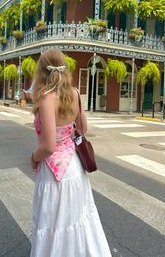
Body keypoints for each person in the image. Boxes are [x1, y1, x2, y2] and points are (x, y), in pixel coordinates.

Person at [30, 48, 112, 257]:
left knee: (53, 222)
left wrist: (33, 157)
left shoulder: (47, 99)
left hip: (54, 173)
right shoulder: (75, 93)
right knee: (76, 218)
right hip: (74, 168)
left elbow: (49, 146)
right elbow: (82, 129)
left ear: (42, 70)